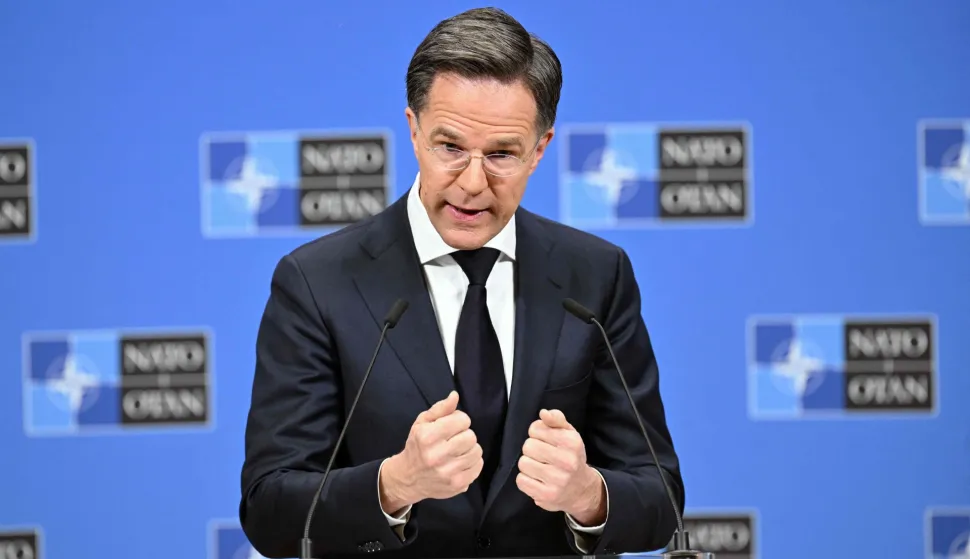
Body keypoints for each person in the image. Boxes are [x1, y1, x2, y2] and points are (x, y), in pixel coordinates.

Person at [239, 7, 684, 559]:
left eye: (501, 154)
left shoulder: (595, 275)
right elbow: (269, 508)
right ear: (414, 130)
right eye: (450, 147)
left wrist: (589, 495)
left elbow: (660, 495)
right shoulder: (318, 282)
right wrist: (395, 484)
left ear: (539, 150)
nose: (473, 184)